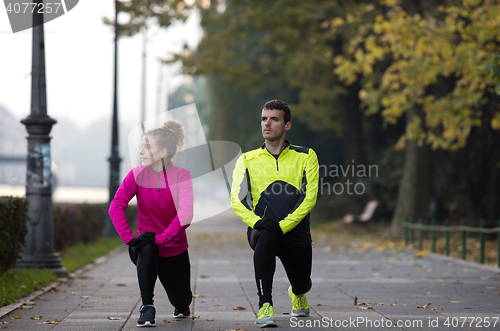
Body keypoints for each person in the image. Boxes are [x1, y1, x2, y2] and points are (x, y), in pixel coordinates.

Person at [230, 99, 319, 327]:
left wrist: (284, 226)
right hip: (263, 229)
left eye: (274, 119)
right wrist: (257, 222)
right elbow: (236, 199)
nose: (267, 124)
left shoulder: (306, 156)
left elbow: (309, 197)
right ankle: (265, 305)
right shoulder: (247, 159)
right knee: (267, 236)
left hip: (295, 230)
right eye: (263, 119)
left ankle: (298, 293)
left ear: (287, 125)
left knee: (302, 282)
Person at [109, 119, 194, 327]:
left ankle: (181, 304)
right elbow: (116, 205)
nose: (141, 151)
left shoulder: (182, 176)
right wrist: (130, 239)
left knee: (182, 303)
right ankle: (147, 306)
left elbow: (186, 214)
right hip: (145, 248)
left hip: (174, 249)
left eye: (147, 147)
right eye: (141, 146)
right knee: (147, 243)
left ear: (163, 151)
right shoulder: (137, 174)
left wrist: (162, 238)